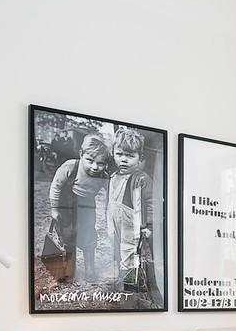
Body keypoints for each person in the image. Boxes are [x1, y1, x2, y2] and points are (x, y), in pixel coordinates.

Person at [48, 134, 111, 282]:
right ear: (81, 154)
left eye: (100, 163)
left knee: (88, 234)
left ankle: (90, 268)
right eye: (90, 160)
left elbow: (111, 194)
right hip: (67, 203)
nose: (95, 167)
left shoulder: (104, 176)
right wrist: (55, 209)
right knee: (68, 234)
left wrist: (109, 211)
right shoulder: (71, 167)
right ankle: (70, 268)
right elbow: (56, 186)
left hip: (87, 205)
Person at [108, 127, 158, 297]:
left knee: (129, 253)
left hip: (132, 223)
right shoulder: (113, 176)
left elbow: (153, 203)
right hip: (115, 220)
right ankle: (121, 279)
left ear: (139, 158)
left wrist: (149, 224)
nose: (124, 160)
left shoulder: (142, 178)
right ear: (113, 153)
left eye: (130, 156)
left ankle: (130, 286)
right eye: (120, 154)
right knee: (117, 249)